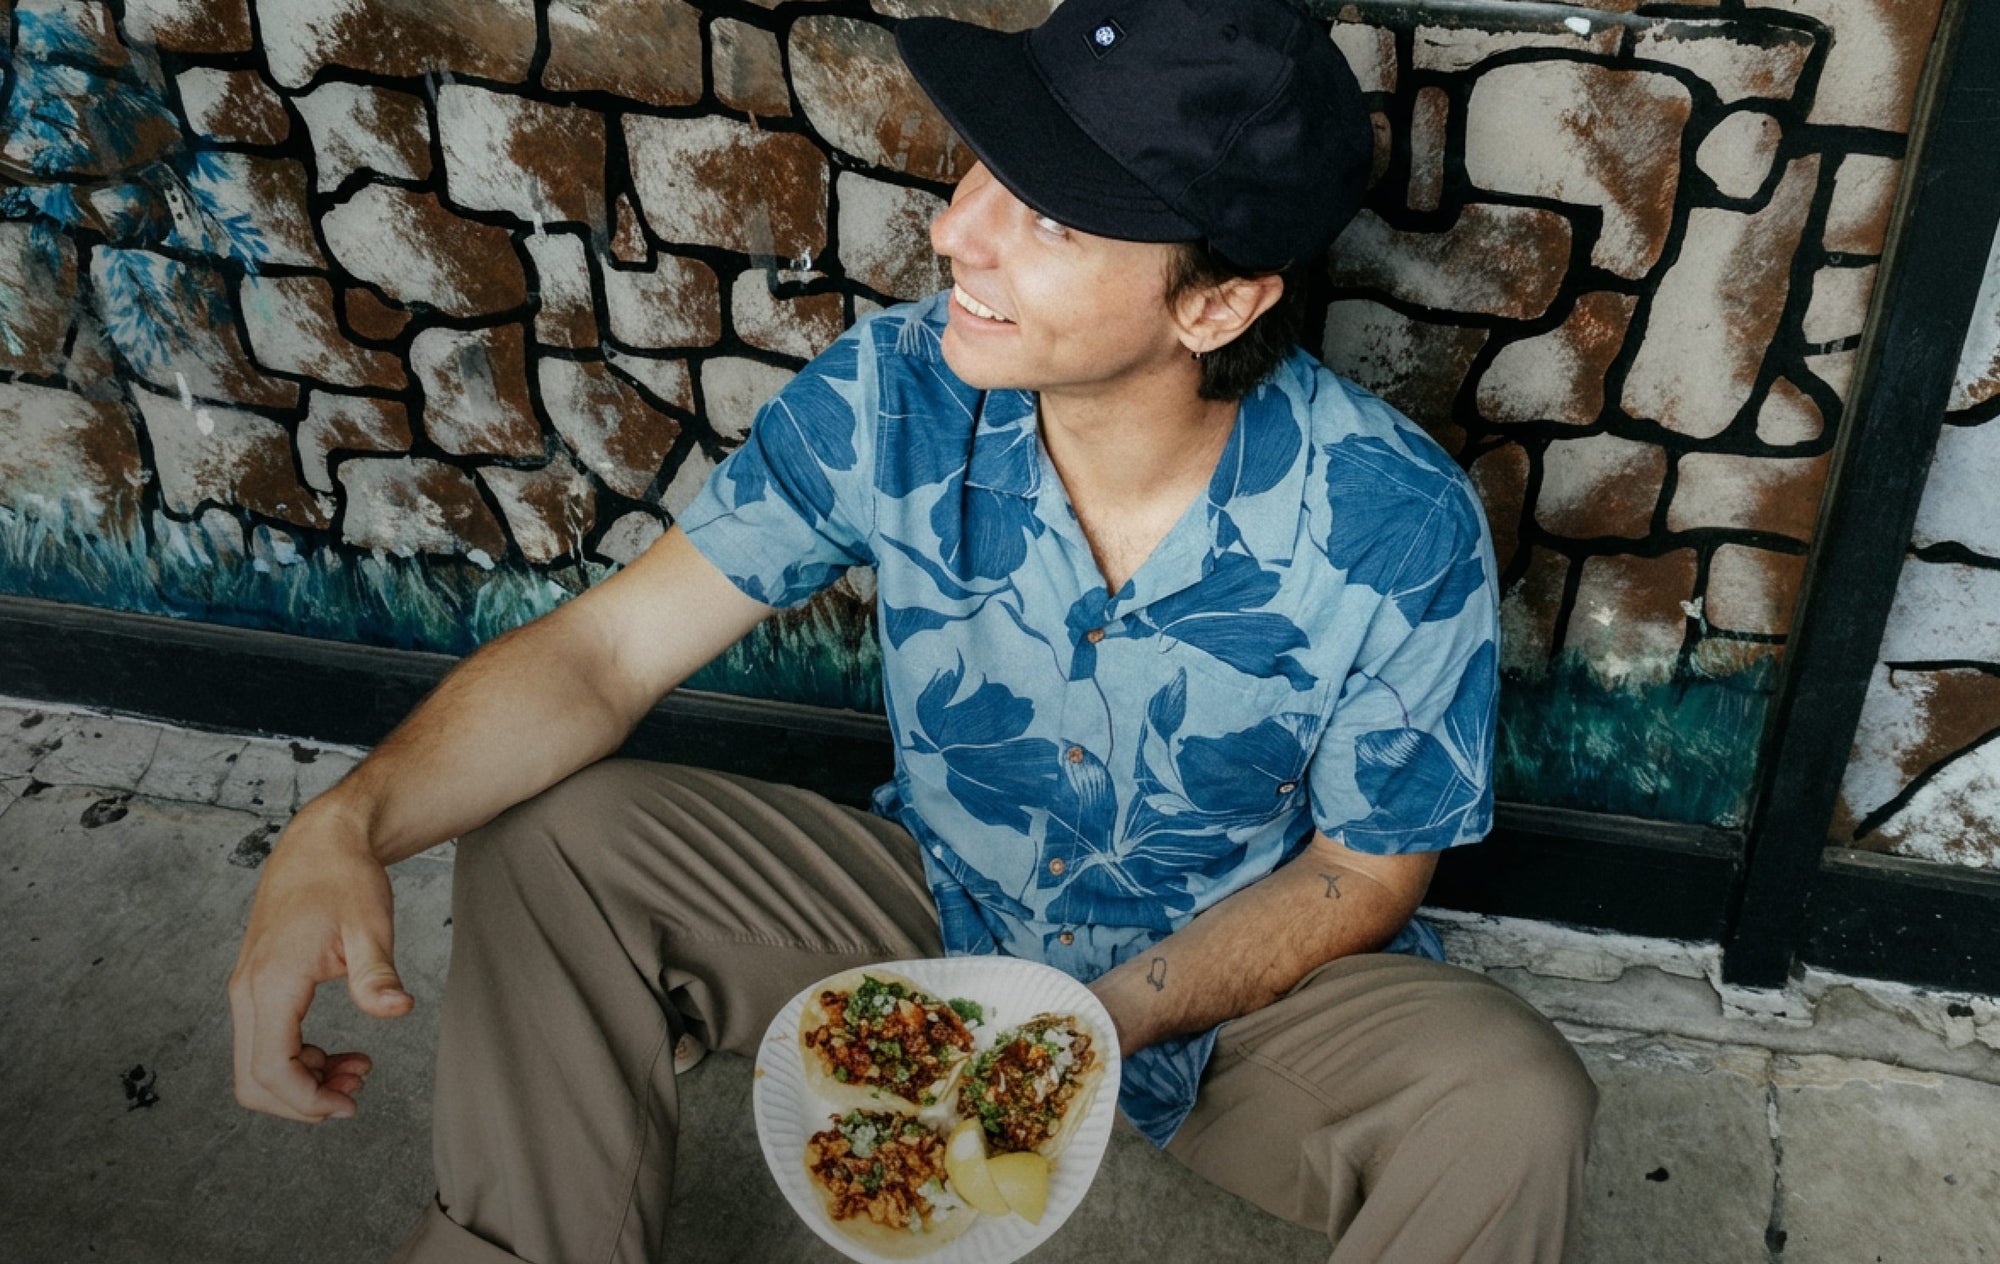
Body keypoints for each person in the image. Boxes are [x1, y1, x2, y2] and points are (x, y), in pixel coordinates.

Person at [227, 0, 1598, 1260]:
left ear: (1218, 303)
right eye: (984, 170)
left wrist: (1076, 1034)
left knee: (1514, 1103)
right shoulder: (896, 390)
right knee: (547, 840)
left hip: (1234, 1001)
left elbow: (1361, 877)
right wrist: (344, 823)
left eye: (1050, 220)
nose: (956, 233)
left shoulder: (1395, 520)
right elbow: (604, 654)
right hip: (937, 909)